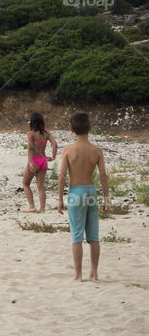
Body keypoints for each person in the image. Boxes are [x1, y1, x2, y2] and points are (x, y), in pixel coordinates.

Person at [58, 112, 109, 282]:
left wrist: (59, 199)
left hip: (75, 192)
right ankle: (94, 273)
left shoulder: (68, 150)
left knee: (77, 236)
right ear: (90, 128)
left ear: (71, 130)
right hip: (91, 191)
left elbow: (62, 176)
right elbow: (103, 176)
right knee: (94, 236)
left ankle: (78, 275)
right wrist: (107, 198)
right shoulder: (97, 150)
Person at [22, 112, 58, 213]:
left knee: (25, 184)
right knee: (41, 186)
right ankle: (42, 209)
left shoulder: (31, 134)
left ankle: (32, 206)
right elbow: (55, 144)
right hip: (43, 160)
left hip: (34, 161)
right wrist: (53, 157)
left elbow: (30, 149)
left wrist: (30, 162)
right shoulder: (46, 134)